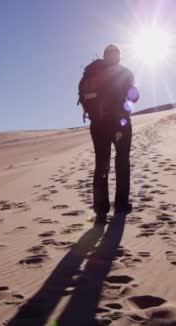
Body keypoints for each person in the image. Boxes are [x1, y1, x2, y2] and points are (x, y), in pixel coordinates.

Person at [78, 44, 138, 224]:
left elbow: (83, 96)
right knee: (122, 162)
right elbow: (134, 96)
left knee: (101, 165)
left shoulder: (92, 72)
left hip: (98, 125)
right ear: (118, 56)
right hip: (120, 124)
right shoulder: (124, 72)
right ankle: (120, 205)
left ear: (105, 56)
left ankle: (101, 211)